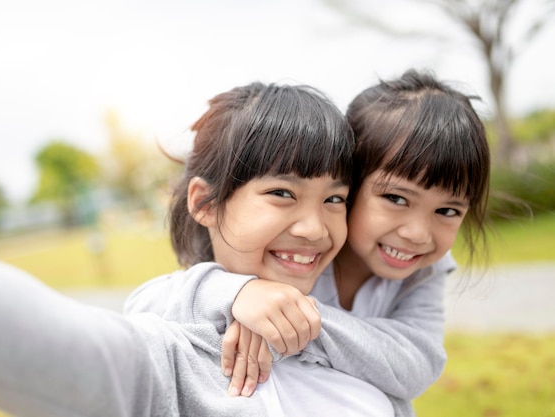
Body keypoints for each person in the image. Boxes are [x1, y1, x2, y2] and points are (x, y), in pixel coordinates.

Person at [0, 82, 396, 416]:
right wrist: (228, 292)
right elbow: (8, 329)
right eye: (282, 193)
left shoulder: (363, 340)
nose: (316, 229)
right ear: (205, 203)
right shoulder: (166, 366)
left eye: (335, 199)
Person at [126, 69, 491, 417]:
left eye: (447, 210)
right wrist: (238, 293)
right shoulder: (290, 257)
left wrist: (292, 321)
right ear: (357, 181)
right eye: (396, 198)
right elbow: (146, 309)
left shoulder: (423, 268)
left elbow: (417, 362)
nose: (418, 234)